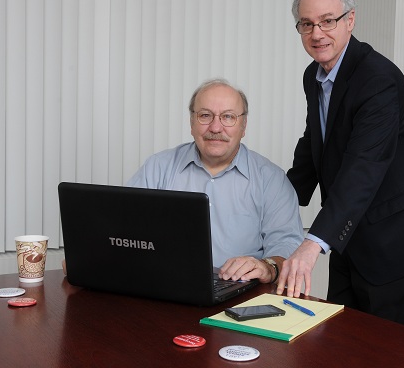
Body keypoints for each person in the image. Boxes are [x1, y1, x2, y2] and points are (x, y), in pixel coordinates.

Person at [276, 0, 404, 329]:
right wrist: (276, 201)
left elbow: (364, 167)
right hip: (349, 238)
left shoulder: (377, 78)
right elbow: (314, 143)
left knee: (389, 354)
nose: (317, 33)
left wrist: (311, 246)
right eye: (307, 24)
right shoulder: (314, 75)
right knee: (341, 344)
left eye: (327, 20)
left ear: (350, 20)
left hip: (396, 242)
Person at [127, 78, 304, 284]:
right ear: (191, 122)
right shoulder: (157, 167)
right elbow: (125, 228)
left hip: (241, 293)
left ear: (243, 125)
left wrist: (268, 266)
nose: (216, 127)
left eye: (228, 117)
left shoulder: (272, 179)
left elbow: (287, 243)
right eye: (205, 115)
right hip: (165, 285)